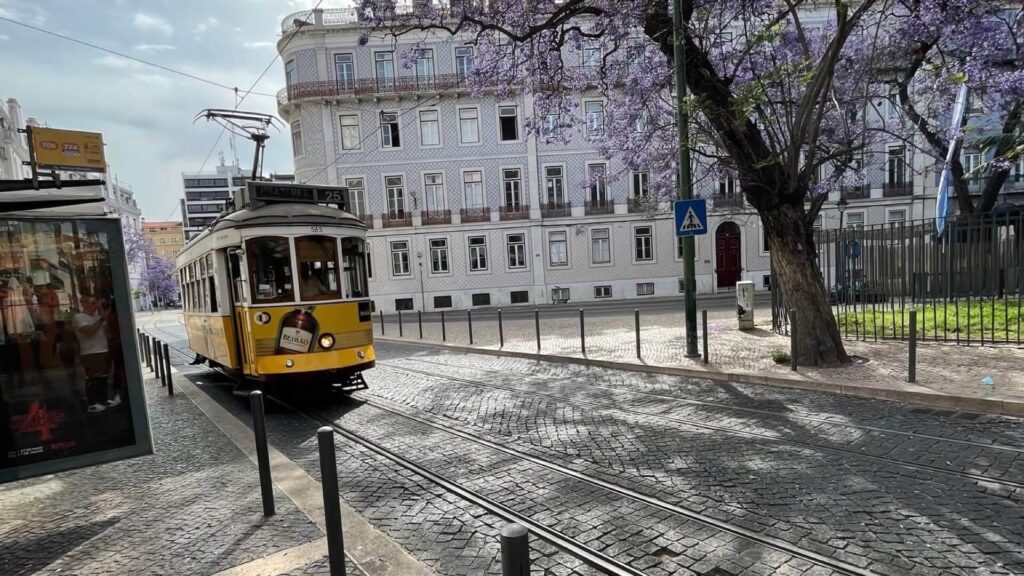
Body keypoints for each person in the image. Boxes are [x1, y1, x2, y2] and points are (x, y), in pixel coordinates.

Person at [73, 295, 112, 412]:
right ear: (84, 303)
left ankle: (103, 399)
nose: (95, 306)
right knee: (93, 378)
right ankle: (92, 403)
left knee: (103, 378)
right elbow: (89, 331)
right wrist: (101, 318)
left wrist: (102, 313)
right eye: (93, 303)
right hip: (90, 352)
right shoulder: (79, 317)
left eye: (97, 303)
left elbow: (107, 332)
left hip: (103, 349)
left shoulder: (97, 317)